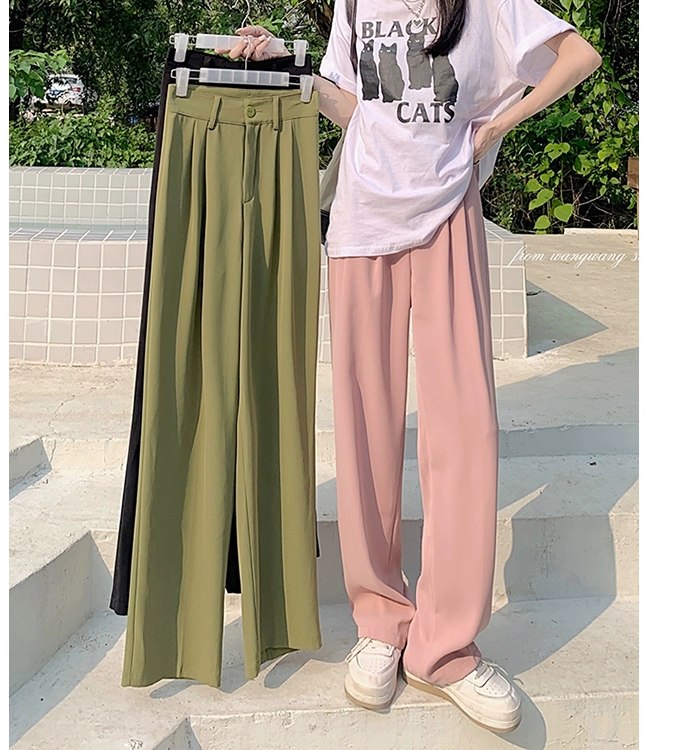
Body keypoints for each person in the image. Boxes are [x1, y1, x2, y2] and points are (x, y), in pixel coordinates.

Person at [218, 0, 601, 734]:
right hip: (363, 219)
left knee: (465, 428)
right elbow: (354, 108)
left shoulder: (486, 5)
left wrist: (498, 123)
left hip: (448, 214)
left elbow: (578, 56)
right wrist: (288, 63)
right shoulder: (353, 3)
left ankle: (446, 648)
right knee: (366, 426)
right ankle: (380, 621)